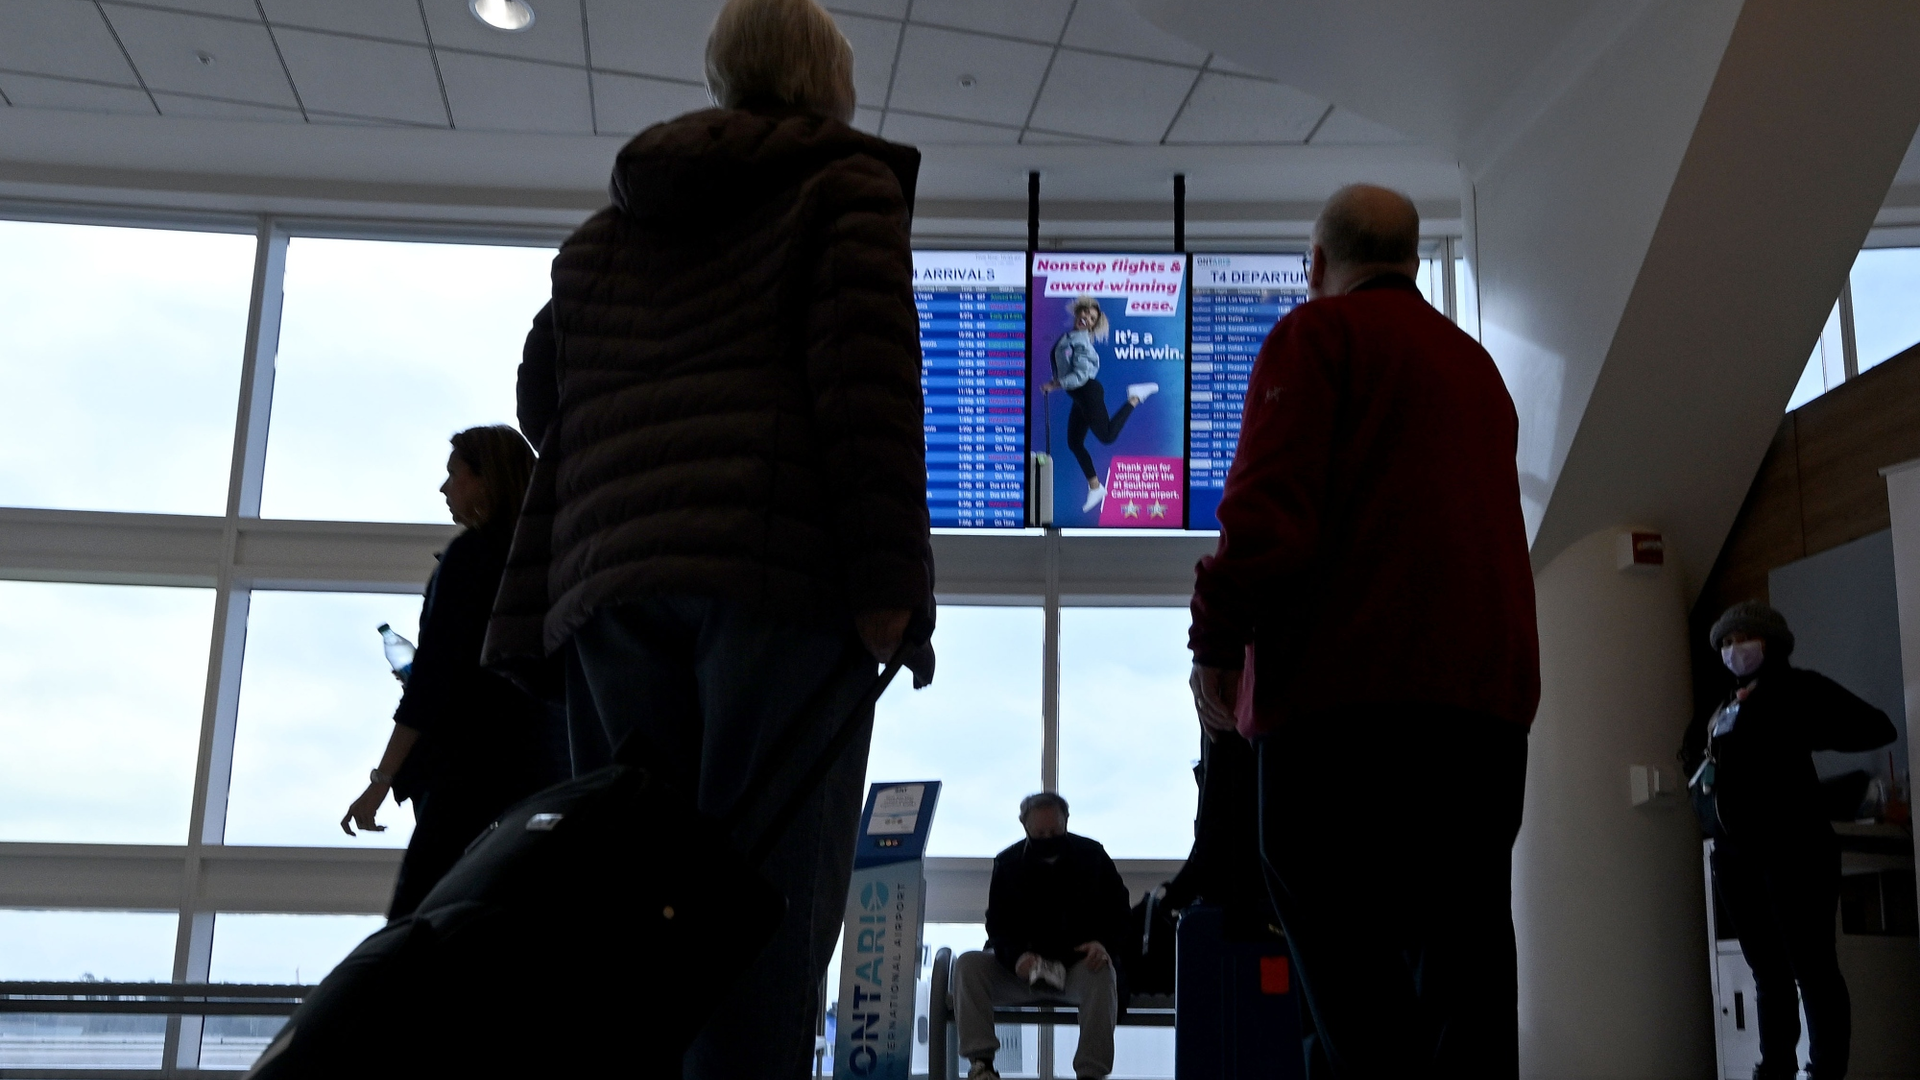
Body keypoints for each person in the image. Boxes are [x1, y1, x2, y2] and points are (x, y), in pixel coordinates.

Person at [478, 0, 935, 1075]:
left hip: (610, 585)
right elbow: (865, 392)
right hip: (776, 579)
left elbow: (548, 401)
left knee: (634, 897)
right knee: (762, 897)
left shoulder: (609, 233)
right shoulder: (845, 190)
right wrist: (891, 587)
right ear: (832, 82)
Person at [1188, 183, 1540, 1077]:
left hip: (1343, 713)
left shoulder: (1316, 337)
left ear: (1317, 265)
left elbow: (1268, 515)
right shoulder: (1478, 370)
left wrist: (1216, 646)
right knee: (1465, 974)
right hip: (1481, 718)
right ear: (1414, 262)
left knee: (1348, 990)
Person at [341, 425, 566, 919]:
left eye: (454, 475)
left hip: (468, 772)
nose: (445, 489)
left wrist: (381, 780)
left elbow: (432, 684)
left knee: (420, 921)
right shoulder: (547, 560)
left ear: (485, 481)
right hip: (541, 770)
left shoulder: (469, 558)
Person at [1683, 601, 1894, 1080]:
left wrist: (1796, 724)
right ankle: (1775, 1067)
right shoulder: (1723, 704)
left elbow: (1876, 726)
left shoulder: (1799, 690)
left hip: (1795, 850)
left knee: (1813, 969)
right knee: (1767, 974)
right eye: (1726, 643)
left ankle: (1825, 1072)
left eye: (1744, 639)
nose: (1734, 649)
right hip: (1735, 856)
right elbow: (1694, 755)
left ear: (1771, 644)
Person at [954, 793, 1130, 1080]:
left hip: (1077, 966)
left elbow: (1121, 913)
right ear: (1025, 827)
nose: (1048, 838)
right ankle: (982, 1064)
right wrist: (1017, 958)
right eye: (1040, 833)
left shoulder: (1093, 856)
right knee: (968, 966)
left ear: (1067, 823)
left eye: (1055, 832)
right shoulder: (1007, 863)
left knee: (1102, 974)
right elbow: (997, 927)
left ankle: (1091, 1073)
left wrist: (1103, 945)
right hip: (1022, 968)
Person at [1043, 295, 1158, 513]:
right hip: (1079, 395)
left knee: (1107, 436)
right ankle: (1095, 487)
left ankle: (1135, 397)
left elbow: (1081, 374)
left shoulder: (1081, 342)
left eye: (1092, 317)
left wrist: (1055, 384)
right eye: (1084, 312)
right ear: (1078, 314)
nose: (1086, 317)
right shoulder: (1071, 336)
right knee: (1074, 443)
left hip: (1087, 392)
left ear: (1094, 325)